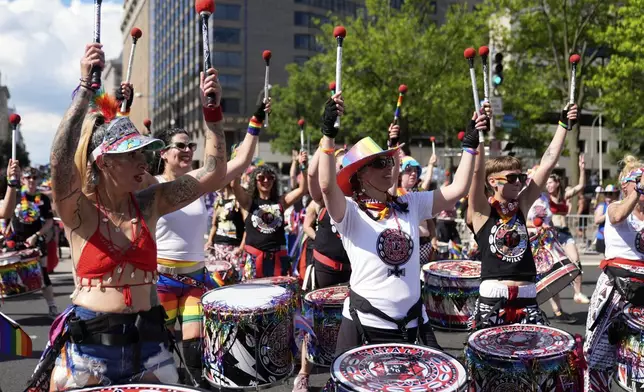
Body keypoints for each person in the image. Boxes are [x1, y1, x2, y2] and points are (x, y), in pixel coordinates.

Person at [31, 43, 229, 391]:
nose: (143, 163)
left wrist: (212, 113)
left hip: (150, 345)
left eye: (144, 154)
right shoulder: (79, 211)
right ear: (104, 162)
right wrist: (85, 91)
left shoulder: (151, 203)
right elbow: (60, 163)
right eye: (132, 155)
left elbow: (213, 171)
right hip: (90, 348)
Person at [319, 91, 486, 354]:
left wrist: (470, 144)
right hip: (365, 323)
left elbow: (459, 188)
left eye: (389, 161)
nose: (388, 167)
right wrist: (328, 134)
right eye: (378, 163)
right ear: (359, 176)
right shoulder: (349, 212)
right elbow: (328, 186)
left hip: (412, 323)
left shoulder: (409, 203)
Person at [149, 100, 265, 385]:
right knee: (159, 350)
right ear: (164, 153)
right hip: (162, 279)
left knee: (193, 351)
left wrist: (255, 124)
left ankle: (193, 387)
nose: (188, 150)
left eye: (191, 146)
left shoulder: (198, 183)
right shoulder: (151, 185)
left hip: (194, 280)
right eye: (181, 145)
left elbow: (240, 164)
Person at [468, 103, 578, 329]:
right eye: (511, 178)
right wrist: (477, 133)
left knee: (532, 363)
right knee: (492, 364)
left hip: (528, 296)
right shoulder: (480, 211)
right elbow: (476, 174)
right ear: (492, 182)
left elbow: (547, 163)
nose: (518, 182)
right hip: (493, 298)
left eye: (519, 177)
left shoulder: (522, 204)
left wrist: (563, 126)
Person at [292, 146, 350, 392]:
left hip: (350, 273)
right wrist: (323, 146)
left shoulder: (356, 199)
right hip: (323, 269)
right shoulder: (322, 199)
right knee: (312, 322)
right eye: (338, 165)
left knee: (347, 325)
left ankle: (342, 374)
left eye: (345, 164)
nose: (342, 168)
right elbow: (314, 177)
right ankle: (303, 375)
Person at [584, 156, 644, 391]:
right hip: (614, 288)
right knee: (597, 353)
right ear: (625, 186)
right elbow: (617, 216)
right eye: (637, 180)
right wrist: (638, 191)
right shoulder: (617, 207)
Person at [233, 152, 308, 280]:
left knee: (278, 296)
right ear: (255, 181)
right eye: (261, 178)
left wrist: (303, 167)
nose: (266, 181)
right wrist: (239, 163)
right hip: (254, 259)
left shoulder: (281, 201)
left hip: (278, 259)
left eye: (270, 177)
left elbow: (302, 189)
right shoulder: (249, 202)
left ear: (274, 180)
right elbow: (235, 186)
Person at [0, 165, 58, 318]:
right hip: (15, 241)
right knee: (4, 274)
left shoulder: (43, 199)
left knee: (43, 274)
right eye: (28, 177)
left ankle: (52, 306)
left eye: (34, 178)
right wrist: (4, 232)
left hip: (36, 241)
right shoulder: (16, 196)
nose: (31, 181)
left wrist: (37, 235)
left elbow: (49, 221)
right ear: (23, 179)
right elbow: (5, 215)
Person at [398, 156, 438, 264]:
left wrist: (434, 241)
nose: (413, 173)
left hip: (425, 245)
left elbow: (430, 222)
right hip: (406, 246)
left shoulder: (419, 193)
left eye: (416, 171)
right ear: (400, 174)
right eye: (409, 170)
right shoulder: (394, 196)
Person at [205, 179, 246, 272]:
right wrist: (209, 241)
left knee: (234, 279)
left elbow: (247, 227)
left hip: (234, 248)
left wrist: (241, 247)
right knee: (217, 279)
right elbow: (214, 225)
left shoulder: (238, 202)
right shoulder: (218, 201)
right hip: (218, 247)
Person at [593, 184, 619, 255]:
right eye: (606, 193)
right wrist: (608, 212)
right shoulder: (602, 206)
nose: (608, 196)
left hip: (616, 238)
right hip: (603, 238)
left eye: (610, 193)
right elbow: (597, 220)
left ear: (616, 195)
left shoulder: (619, 205)